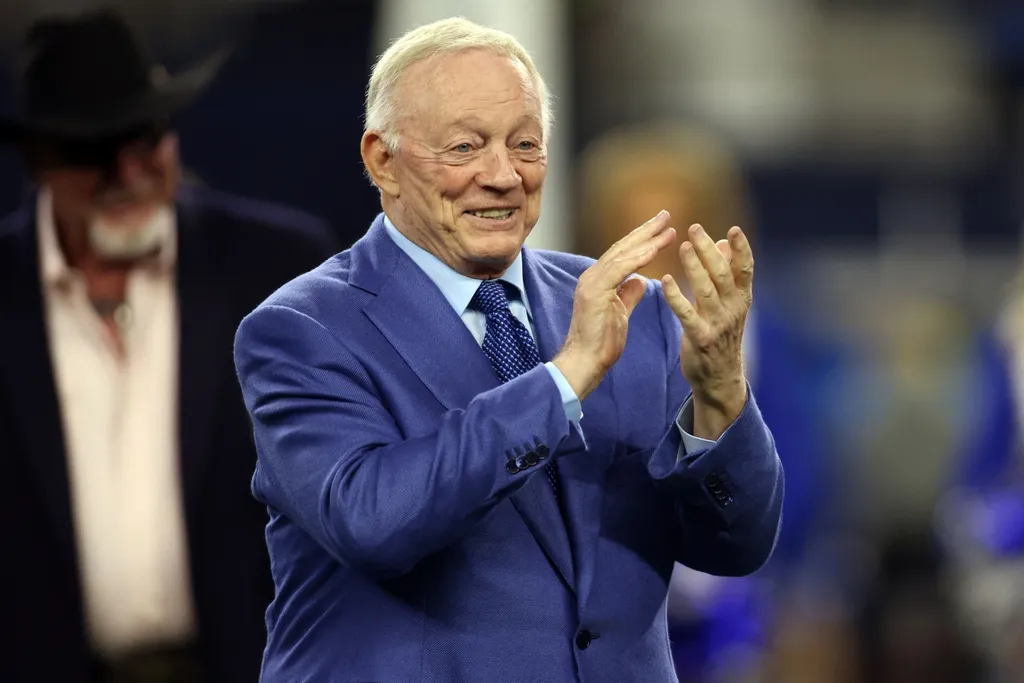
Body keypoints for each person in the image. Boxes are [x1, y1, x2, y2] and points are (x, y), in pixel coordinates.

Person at [234, 17, 783, 683]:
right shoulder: (302, 329)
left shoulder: (637, 314)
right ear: (382, 160)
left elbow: (735, 545)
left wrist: (722, 396)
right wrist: (562, 381)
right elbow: (373, 521)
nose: (502, 175)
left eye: (525, 145)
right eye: (466, 147)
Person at [0, 9, 339, 683]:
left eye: (145, 139)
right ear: (40, 159)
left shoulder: (277, 267)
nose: (127, 171)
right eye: (93, 151)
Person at [575, 121, 845, 682]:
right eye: (632, 233)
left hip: (749, 601)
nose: (654, 262)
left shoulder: (762, 341)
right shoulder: (573, 339)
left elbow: (800, 483)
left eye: (670, 240)